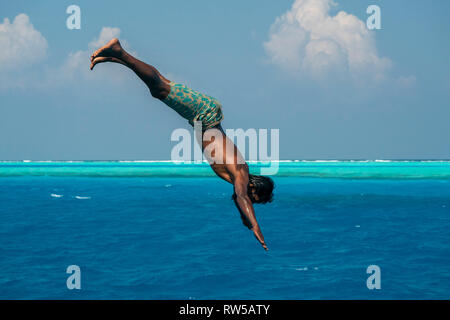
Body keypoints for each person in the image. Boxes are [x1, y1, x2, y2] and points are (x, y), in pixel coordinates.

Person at [90, 38, 274, 250]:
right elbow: (242, 197)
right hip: (203, 115)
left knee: (160, 85)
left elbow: (240, 201)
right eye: (257, 200)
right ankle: (119, 52)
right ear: (255, 188)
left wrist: (248, 223)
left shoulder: (238, 178)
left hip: (203, 115)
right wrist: (256, 227)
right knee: (159, 88)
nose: (253, 202)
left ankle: (116, 57)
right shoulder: (241, 175)